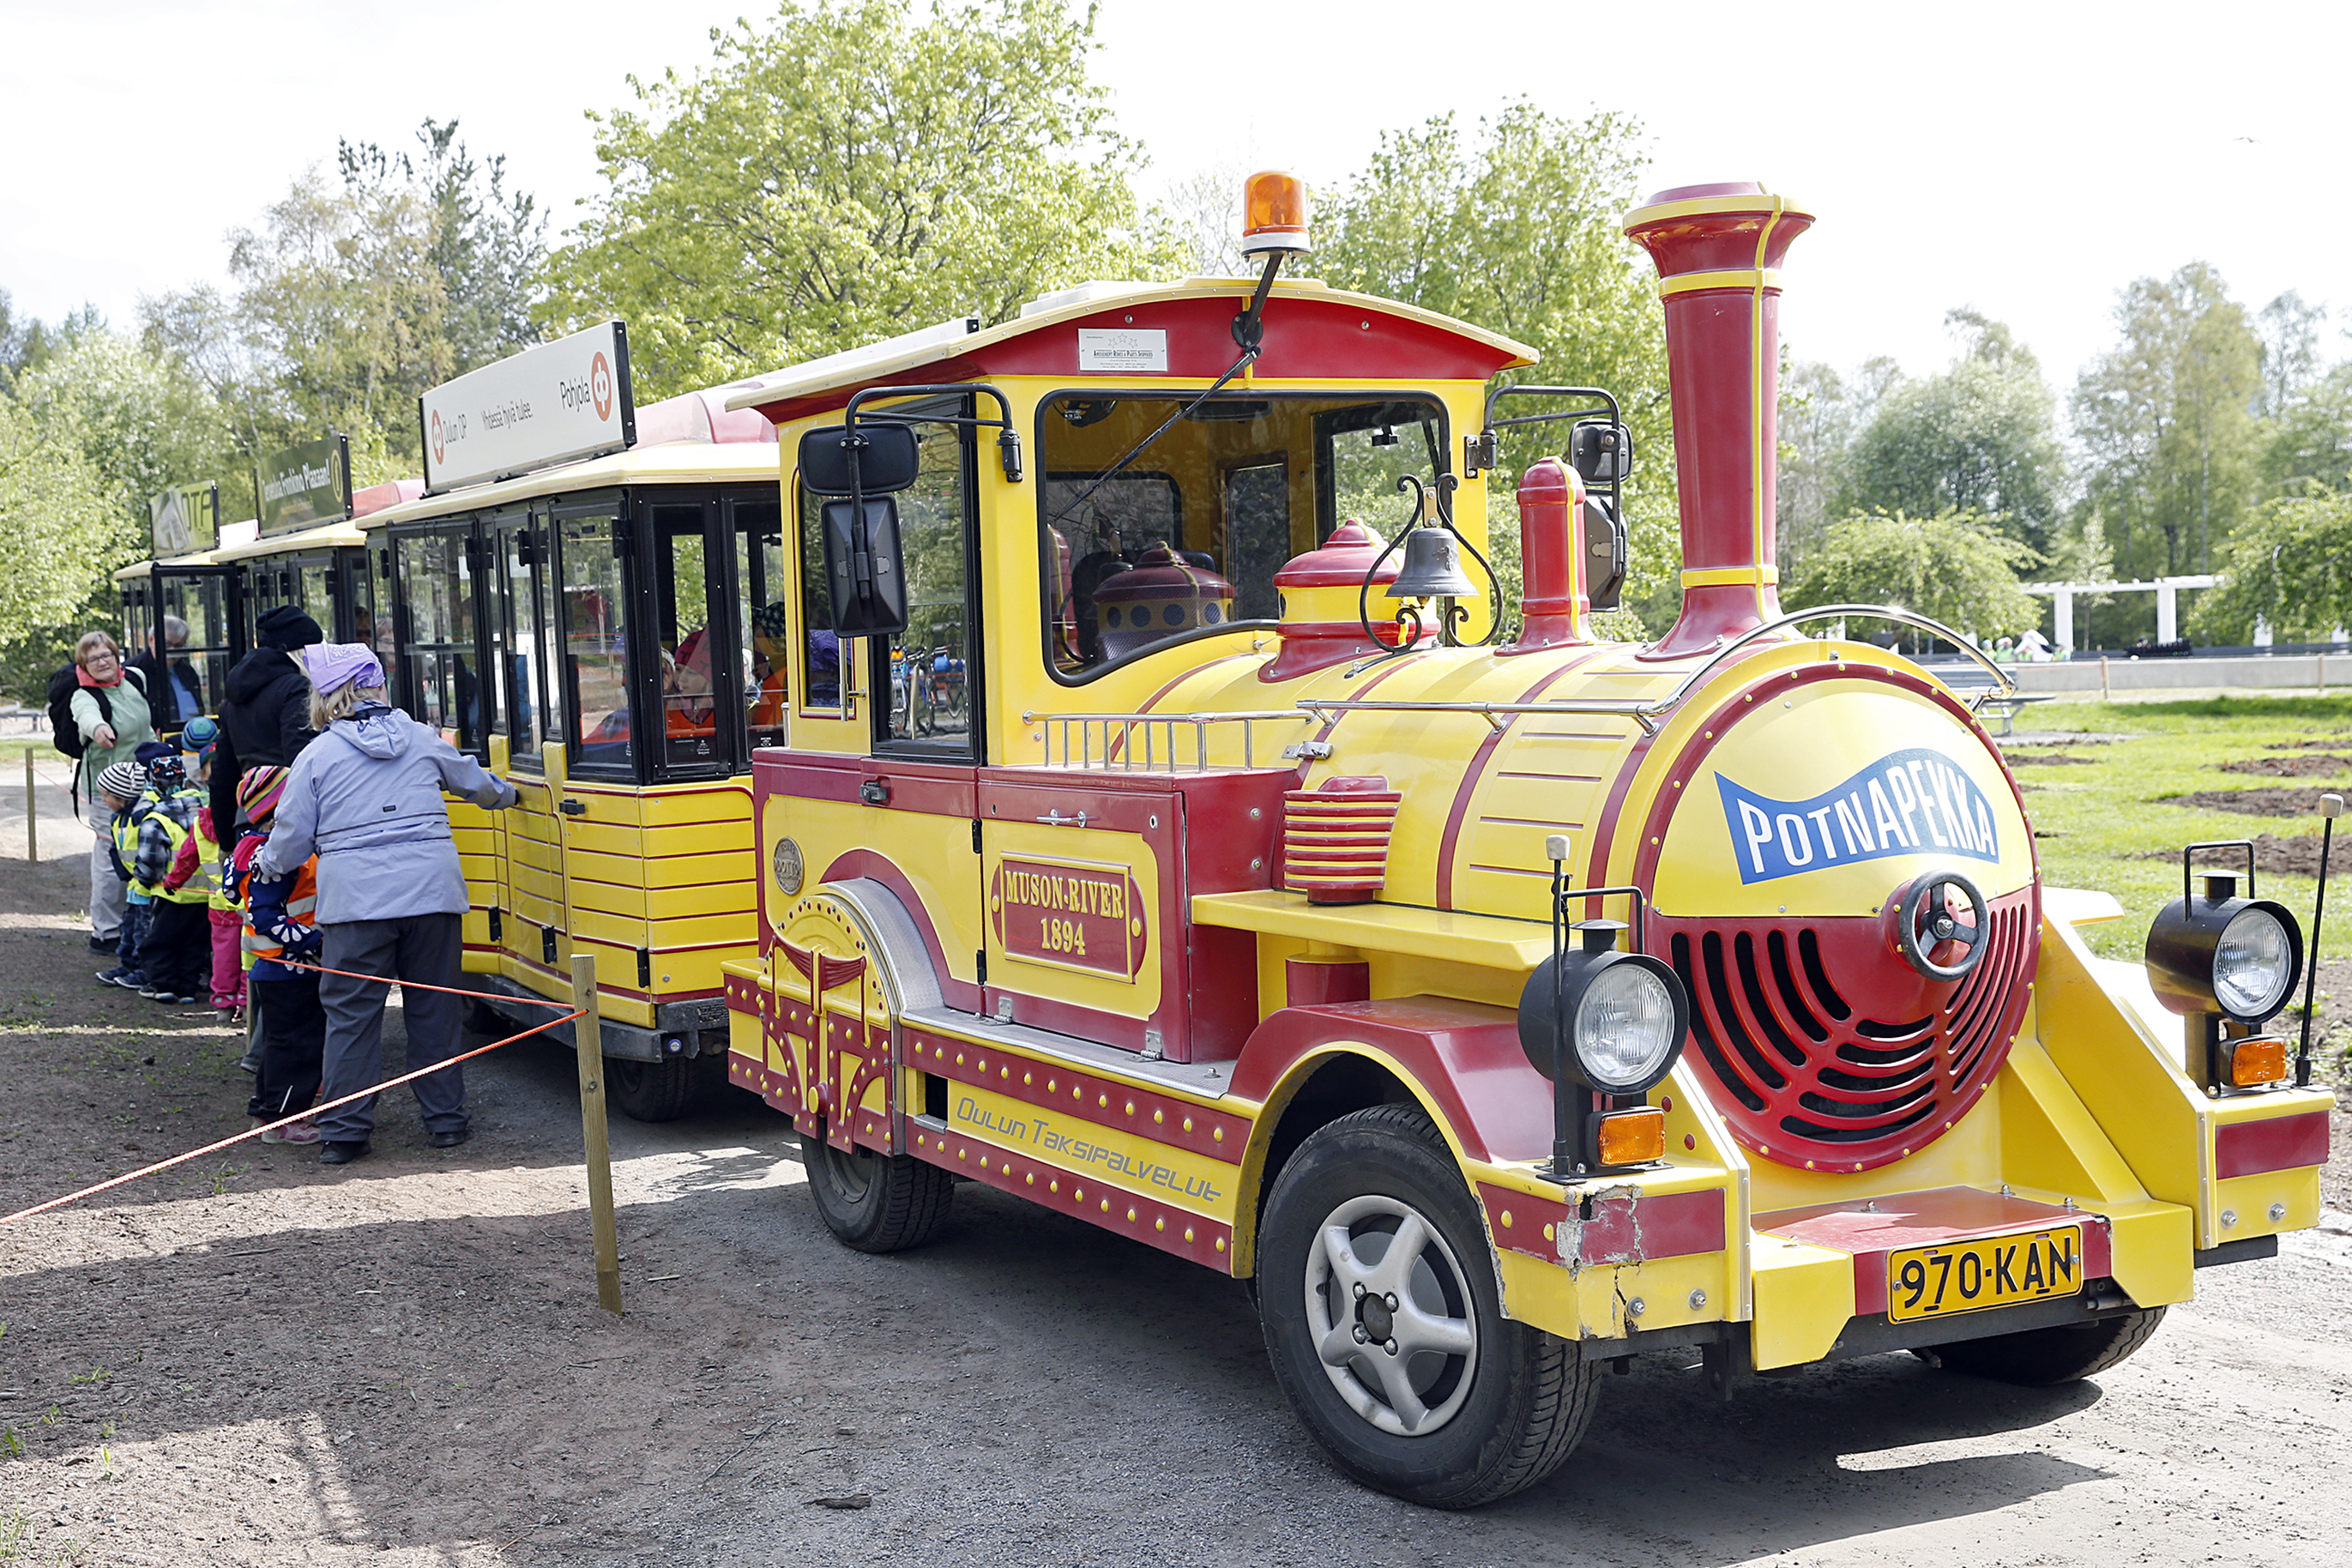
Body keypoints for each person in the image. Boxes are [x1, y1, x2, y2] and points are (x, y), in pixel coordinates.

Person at [255, 643, 518, 1167]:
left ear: (327, 696)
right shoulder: (423, 738)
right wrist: (514, 795)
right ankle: (446, 1122)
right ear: (377, 685)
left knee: (352, 1017)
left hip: (355, 904)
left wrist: (266, 867)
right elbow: (483, 788)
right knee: (435, 1008)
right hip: (431, 895)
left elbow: (288, 841)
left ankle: (345, 1134)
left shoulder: (317, 755)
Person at [228, 765, 323, 1146]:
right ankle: (288, 1120)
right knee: (297, 1047)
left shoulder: (256, 848)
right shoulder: (277, 857)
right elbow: (265, 916)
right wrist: (311, 941)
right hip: (290, 969)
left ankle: (267, 1113)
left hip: (280, 969)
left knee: (278, 1044)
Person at [69, 631, 154, 955]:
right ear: (84, 665)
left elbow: (145, 726)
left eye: (107, 655)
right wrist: (99, 729)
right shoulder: (83, 696)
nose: (102, 662)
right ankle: (106, 932)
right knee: (110, 858)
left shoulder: (135, 680)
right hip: (108, 792)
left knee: (142, 854)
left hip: (142, 784)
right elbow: (87, 719)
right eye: (94, 659)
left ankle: (139, 925)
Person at [211, 606, 323, 836]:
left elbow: (223, 776)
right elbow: (302, 764)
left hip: (248, 821)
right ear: (302, 651)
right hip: (290, 823)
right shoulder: (296, 690)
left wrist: (225, 840)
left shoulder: (233, 699)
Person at [168, 717, 244, 1016]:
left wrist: (173, 881)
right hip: (248, 903)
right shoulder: (251, 817)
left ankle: (224, 1003)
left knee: (223, 957)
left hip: (220, 905)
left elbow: (187, 857)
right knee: (250, 954)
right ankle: (247, 1002)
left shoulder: (202, 822)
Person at [129, 747, 210, 1006]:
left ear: (153, 783)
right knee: (194, 944)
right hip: (204, 894)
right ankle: (188, 988)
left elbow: (151, 860)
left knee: (160, 942)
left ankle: (163, 986)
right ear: (185, 778)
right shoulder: (206, 811)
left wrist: (144, 879)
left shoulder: (155, 819)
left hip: (168, 892)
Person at [92, 762, 149, 991]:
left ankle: (143, 970)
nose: (103, 801)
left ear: (121, 796)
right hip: (134, 886)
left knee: (143, 932)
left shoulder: (142, 818)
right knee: (129, 928)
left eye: (106, 795)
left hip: (146, 886)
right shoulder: (119, 818)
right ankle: (128, 965)